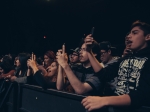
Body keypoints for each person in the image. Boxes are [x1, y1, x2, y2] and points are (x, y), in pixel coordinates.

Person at [81, 20, 150, 112]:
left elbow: (142, 96)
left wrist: (104, 100)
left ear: (147, 37)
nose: (129, 36)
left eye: (135, 33)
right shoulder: (125, 58)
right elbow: (104, 74)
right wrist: (89, 51)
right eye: (129, 33)